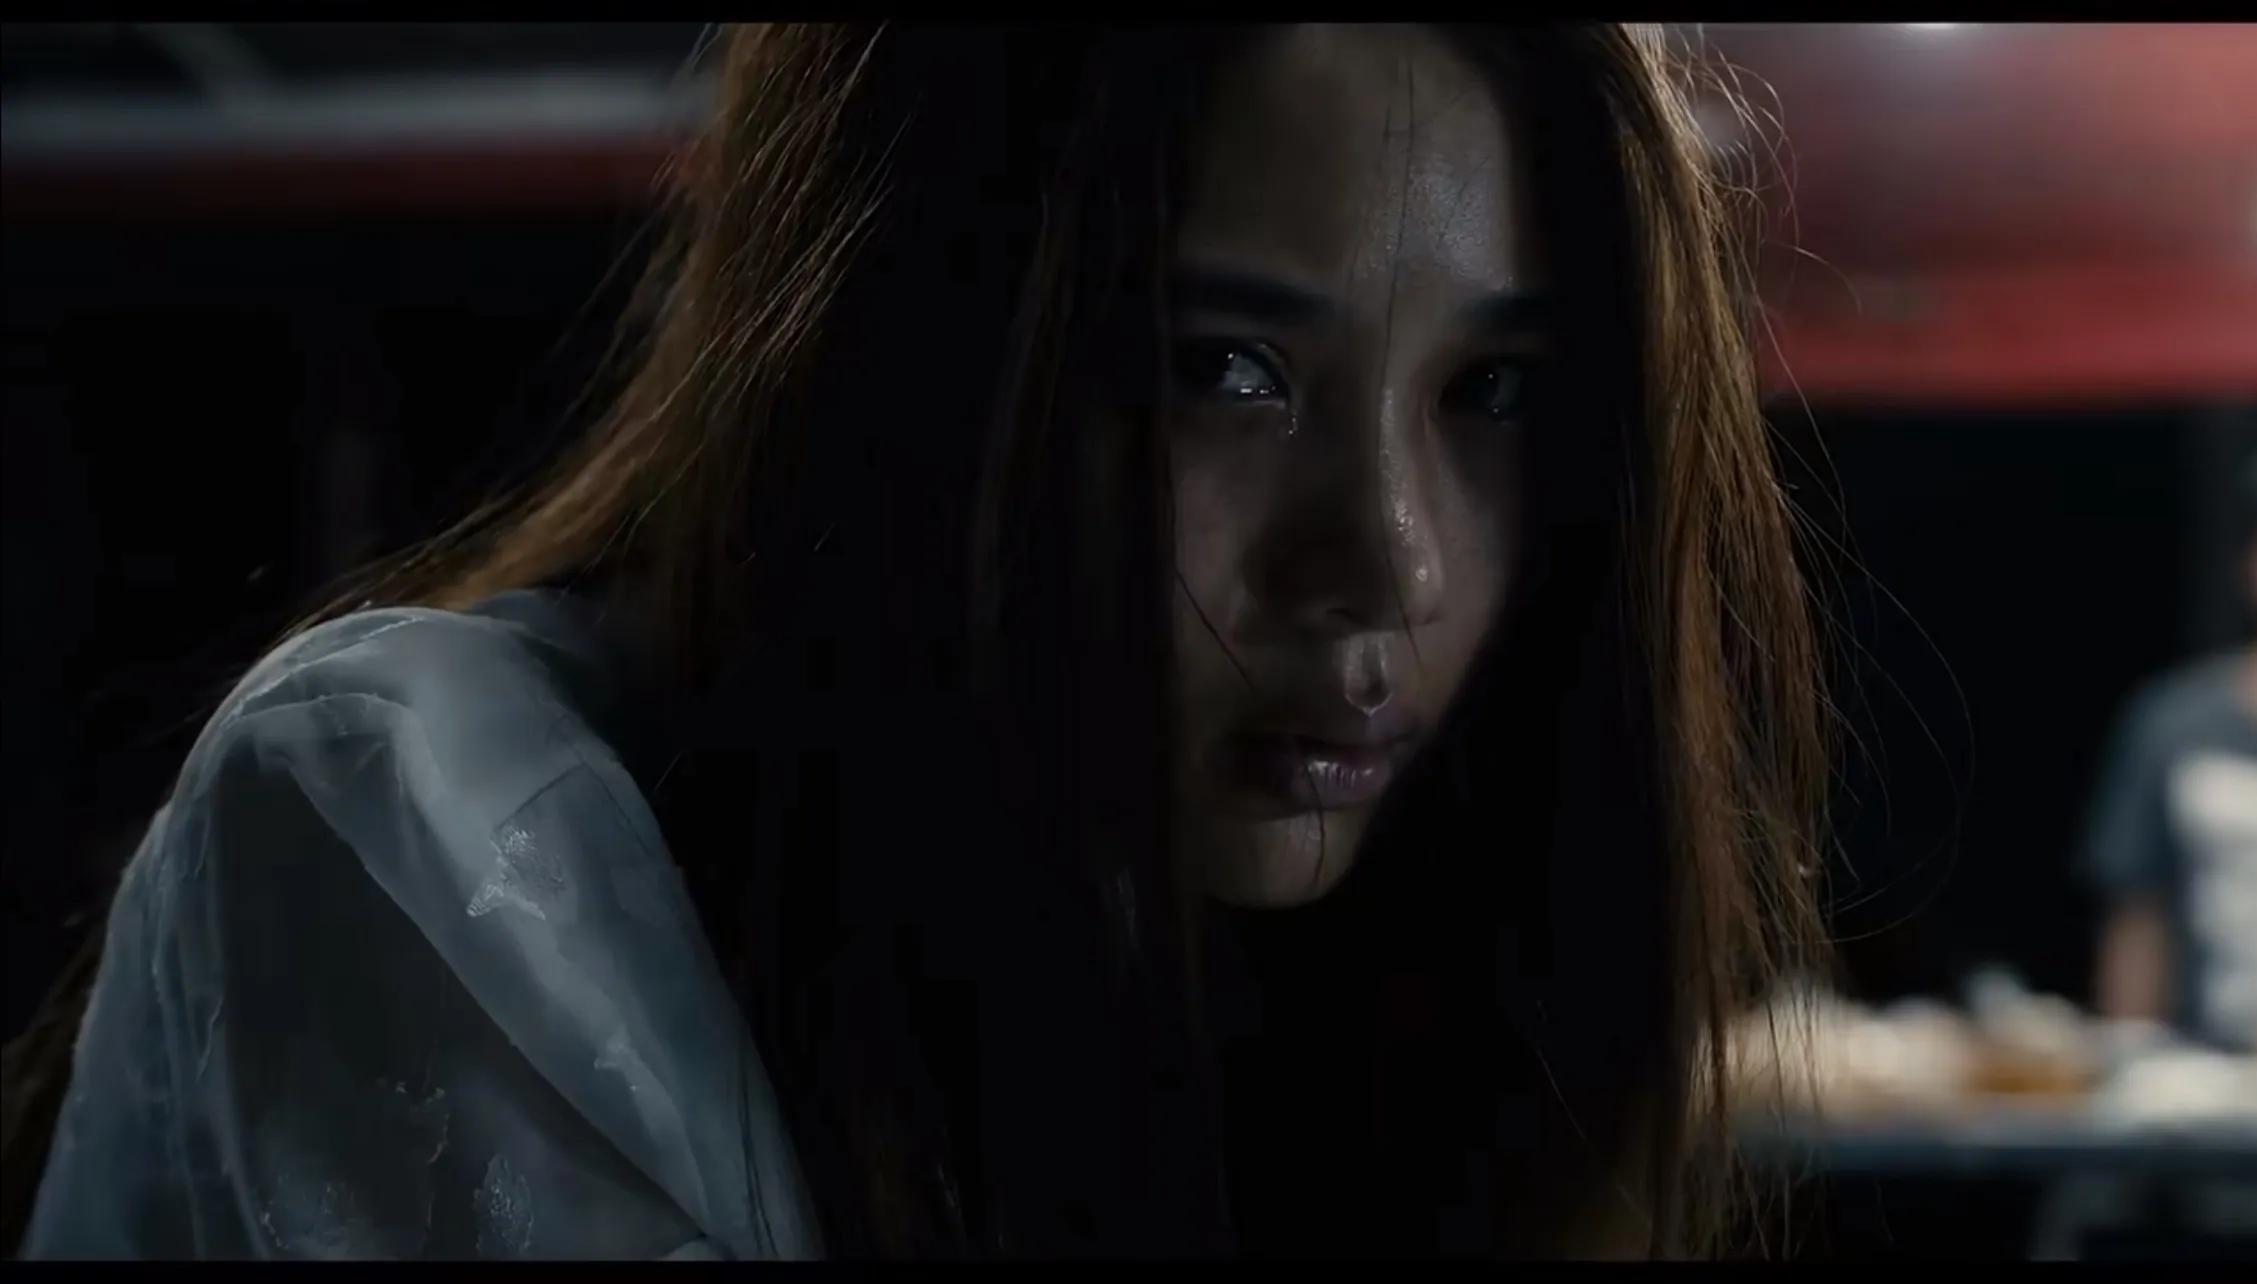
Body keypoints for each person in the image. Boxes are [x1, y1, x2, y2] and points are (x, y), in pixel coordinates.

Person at [8, 24, 1828, 1259]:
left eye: (1492, 391)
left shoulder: (1291, 973)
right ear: (922, 353)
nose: (1388, 560)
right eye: (1221, 368)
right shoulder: (431, 823)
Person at [2084, 438, 2257, 1053]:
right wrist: (2129, 1058)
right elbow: (2137, 915)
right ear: (2255, 563)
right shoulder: (2175, 723)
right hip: (2211, 1076)